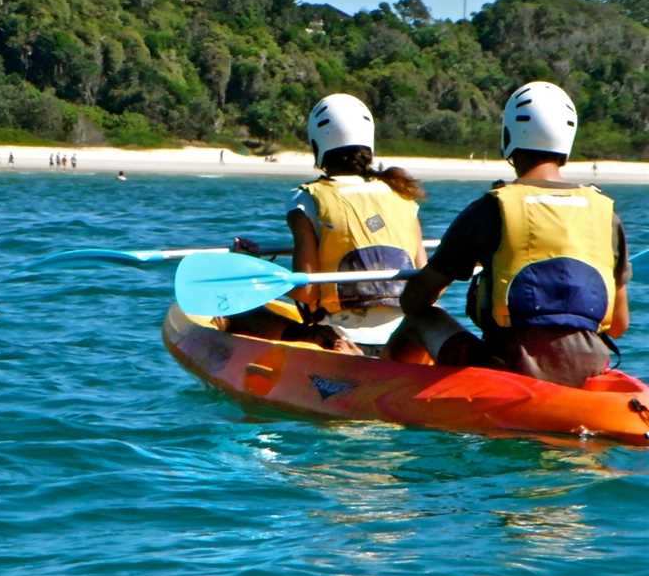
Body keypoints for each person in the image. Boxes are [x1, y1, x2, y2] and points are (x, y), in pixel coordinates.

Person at [389, 81, 630, 386]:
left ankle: (382, 385)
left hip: (508, 371)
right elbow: (619, 324)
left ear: (508, 136)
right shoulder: (606, 212)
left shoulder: (492, 208)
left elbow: (416, 299)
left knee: (421, 318)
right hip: (589, 372)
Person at [225, 93, 427, 351]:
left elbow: (306, 292)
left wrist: (251, 268)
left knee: (239, 315)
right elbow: (428, 281)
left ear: (317, 146)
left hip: (341, 338)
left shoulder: (307, 200)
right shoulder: (402, 195)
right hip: (403, 338)